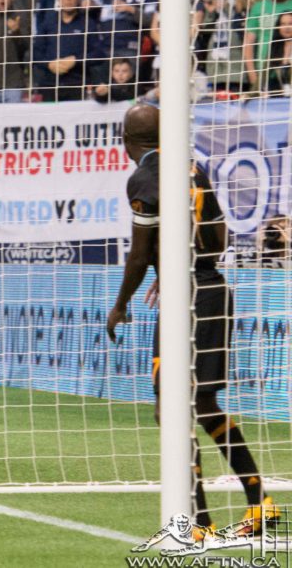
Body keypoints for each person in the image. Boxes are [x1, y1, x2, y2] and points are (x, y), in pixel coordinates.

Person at [107, 103, 279, 540]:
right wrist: (181, 266)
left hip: (188, 300)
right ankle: (260, 503)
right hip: (214, 289)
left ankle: (199, 523)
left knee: (171, 408)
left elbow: (139, 254)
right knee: (201, 405)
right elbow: (218, 238)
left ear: (126, 141)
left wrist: (121, 303)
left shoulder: (145, 178)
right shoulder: (193, 168)